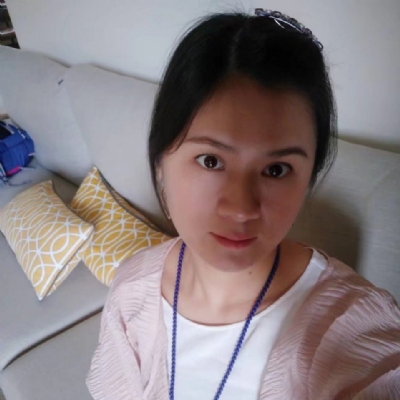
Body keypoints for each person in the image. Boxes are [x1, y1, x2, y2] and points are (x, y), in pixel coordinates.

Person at [86, 9, 400, 400]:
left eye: (276, 170)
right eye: (210, 161)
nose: (241, 209)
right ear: (161, 162)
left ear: (308, 179)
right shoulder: (131, 291)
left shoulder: (352, 329)